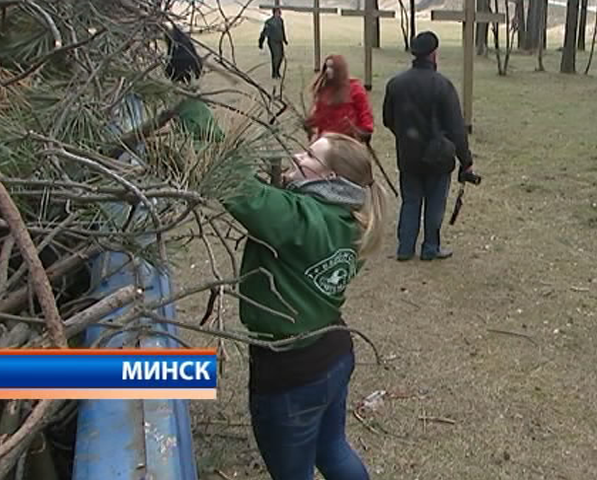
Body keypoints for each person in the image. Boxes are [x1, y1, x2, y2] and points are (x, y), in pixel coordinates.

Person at [179, 102, 383, 479]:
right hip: (333, 354)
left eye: (310, 155)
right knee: (332, 448)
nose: (296, 154)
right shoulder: (353, 221)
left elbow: (241, 188)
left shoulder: (298, 219)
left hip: (290, 374)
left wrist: (189, 108)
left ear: (331, 179)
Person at [383, 31, 475, 261]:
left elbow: (388, 119)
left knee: (410, 200)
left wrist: (405, 137)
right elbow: (456, 128)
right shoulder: (443, 86)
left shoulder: (396, 84)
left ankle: (405, 248)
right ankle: (430, 248)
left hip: (408, 155)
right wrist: (467, 161)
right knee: (435, 203)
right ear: (433, 54)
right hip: (439, 157)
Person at [305, 55, 374, 143]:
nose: (328, 71)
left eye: (331, 68)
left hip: (347, 139)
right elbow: (320, 113)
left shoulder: (355, 88)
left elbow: (364, 111)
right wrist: (311, 123)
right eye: (327, 67)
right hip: (325, 138)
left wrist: (365, 130)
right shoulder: (323, 89)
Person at [259, 7, 288, 79]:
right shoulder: (269, 22)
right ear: (274, 13)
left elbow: (282, 30)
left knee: (281, 56)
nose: (280, 13)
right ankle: (274, 73)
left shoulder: (281, 21)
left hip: (279, 40)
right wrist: (261, 42)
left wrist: (284, 39)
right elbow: (264, 33)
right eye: (278, 12)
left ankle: (277, 71)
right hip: (272, 41)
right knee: (275, 57)